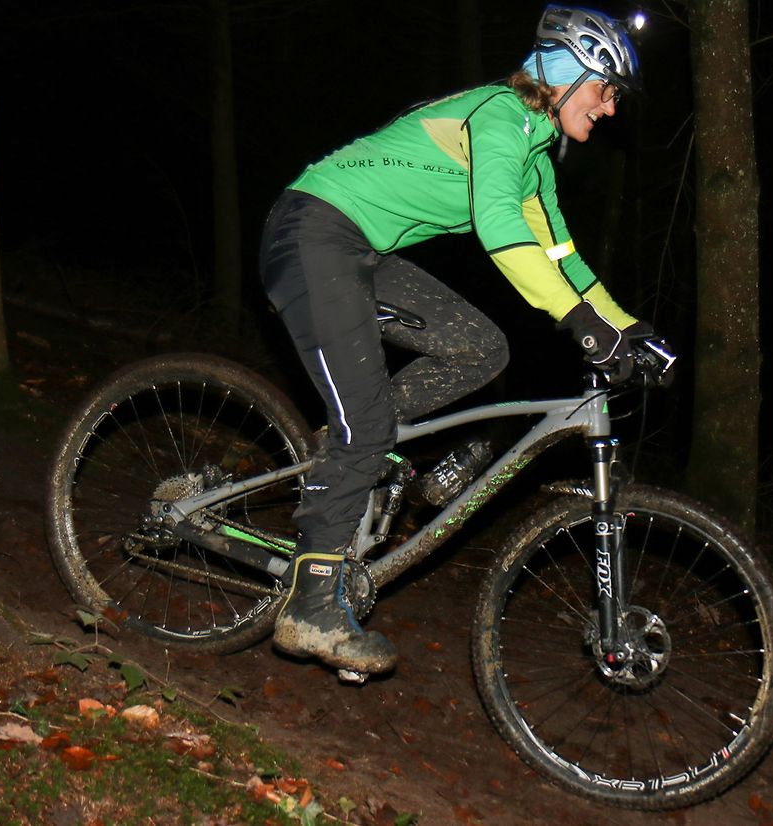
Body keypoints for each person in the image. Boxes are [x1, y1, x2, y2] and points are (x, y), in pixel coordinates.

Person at [258, 5, 671, 676]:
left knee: (481, 348)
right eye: (605, 90)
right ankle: (310, 605)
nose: (610, 108)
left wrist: (627, 328)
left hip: (361, 251)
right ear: (565, 75)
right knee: (367, 426)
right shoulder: (501, 118)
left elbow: (562, 260)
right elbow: (500, 226)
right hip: (312, 233)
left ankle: (351, 447)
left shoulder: (534, 159)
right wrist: (581, 323)